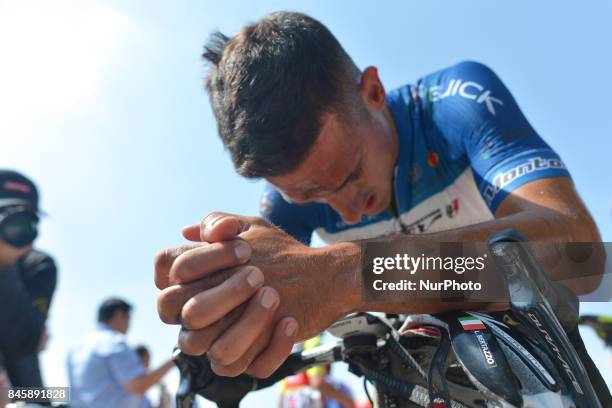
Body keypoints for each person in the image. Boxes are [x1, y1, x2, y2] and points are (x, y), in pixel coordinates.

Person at [154, 11, 611, 405]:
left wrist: (347, 273)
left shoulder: (453, 106)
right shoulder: (282, 201)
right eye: (310, 198)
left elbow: (583, 256)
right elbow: (271, 289)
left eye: (351, 174)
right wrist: (224, 325)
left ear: (373, 90)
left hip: (532, 366)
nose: (348, 214)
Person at [0, 170, 57, 403]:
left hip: (24, 394)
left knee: (60, 395)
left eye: (24, 220)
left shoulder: (40, 264)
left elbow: (26, 340)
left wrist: (4, 264)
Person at [67, 298, 175, 408]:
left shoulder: (75, 349)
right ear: (119, 315)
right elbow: (139, 384)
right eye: (128, 319)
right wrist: (174, 360)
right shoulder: (114, 342)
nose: (129, 325)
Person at [279, 337, 354, 408]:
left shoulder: (286, 345)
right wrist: (349, 402)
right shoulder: (311, 339)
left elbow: (281, 397)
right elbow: (317, 383)